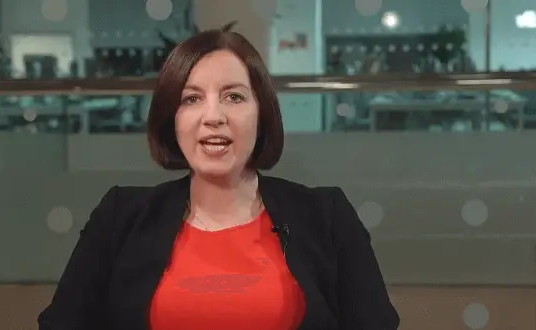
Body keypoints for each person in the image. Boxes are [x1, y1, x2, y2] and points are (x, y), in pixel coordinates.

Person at [38, 28, 400, 330]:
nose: (214, 116)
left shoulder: (327, 216)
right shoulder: (120, 216)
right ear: (171, 119)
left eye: (234, 96)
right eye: (192, 98)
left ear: (262, 114)